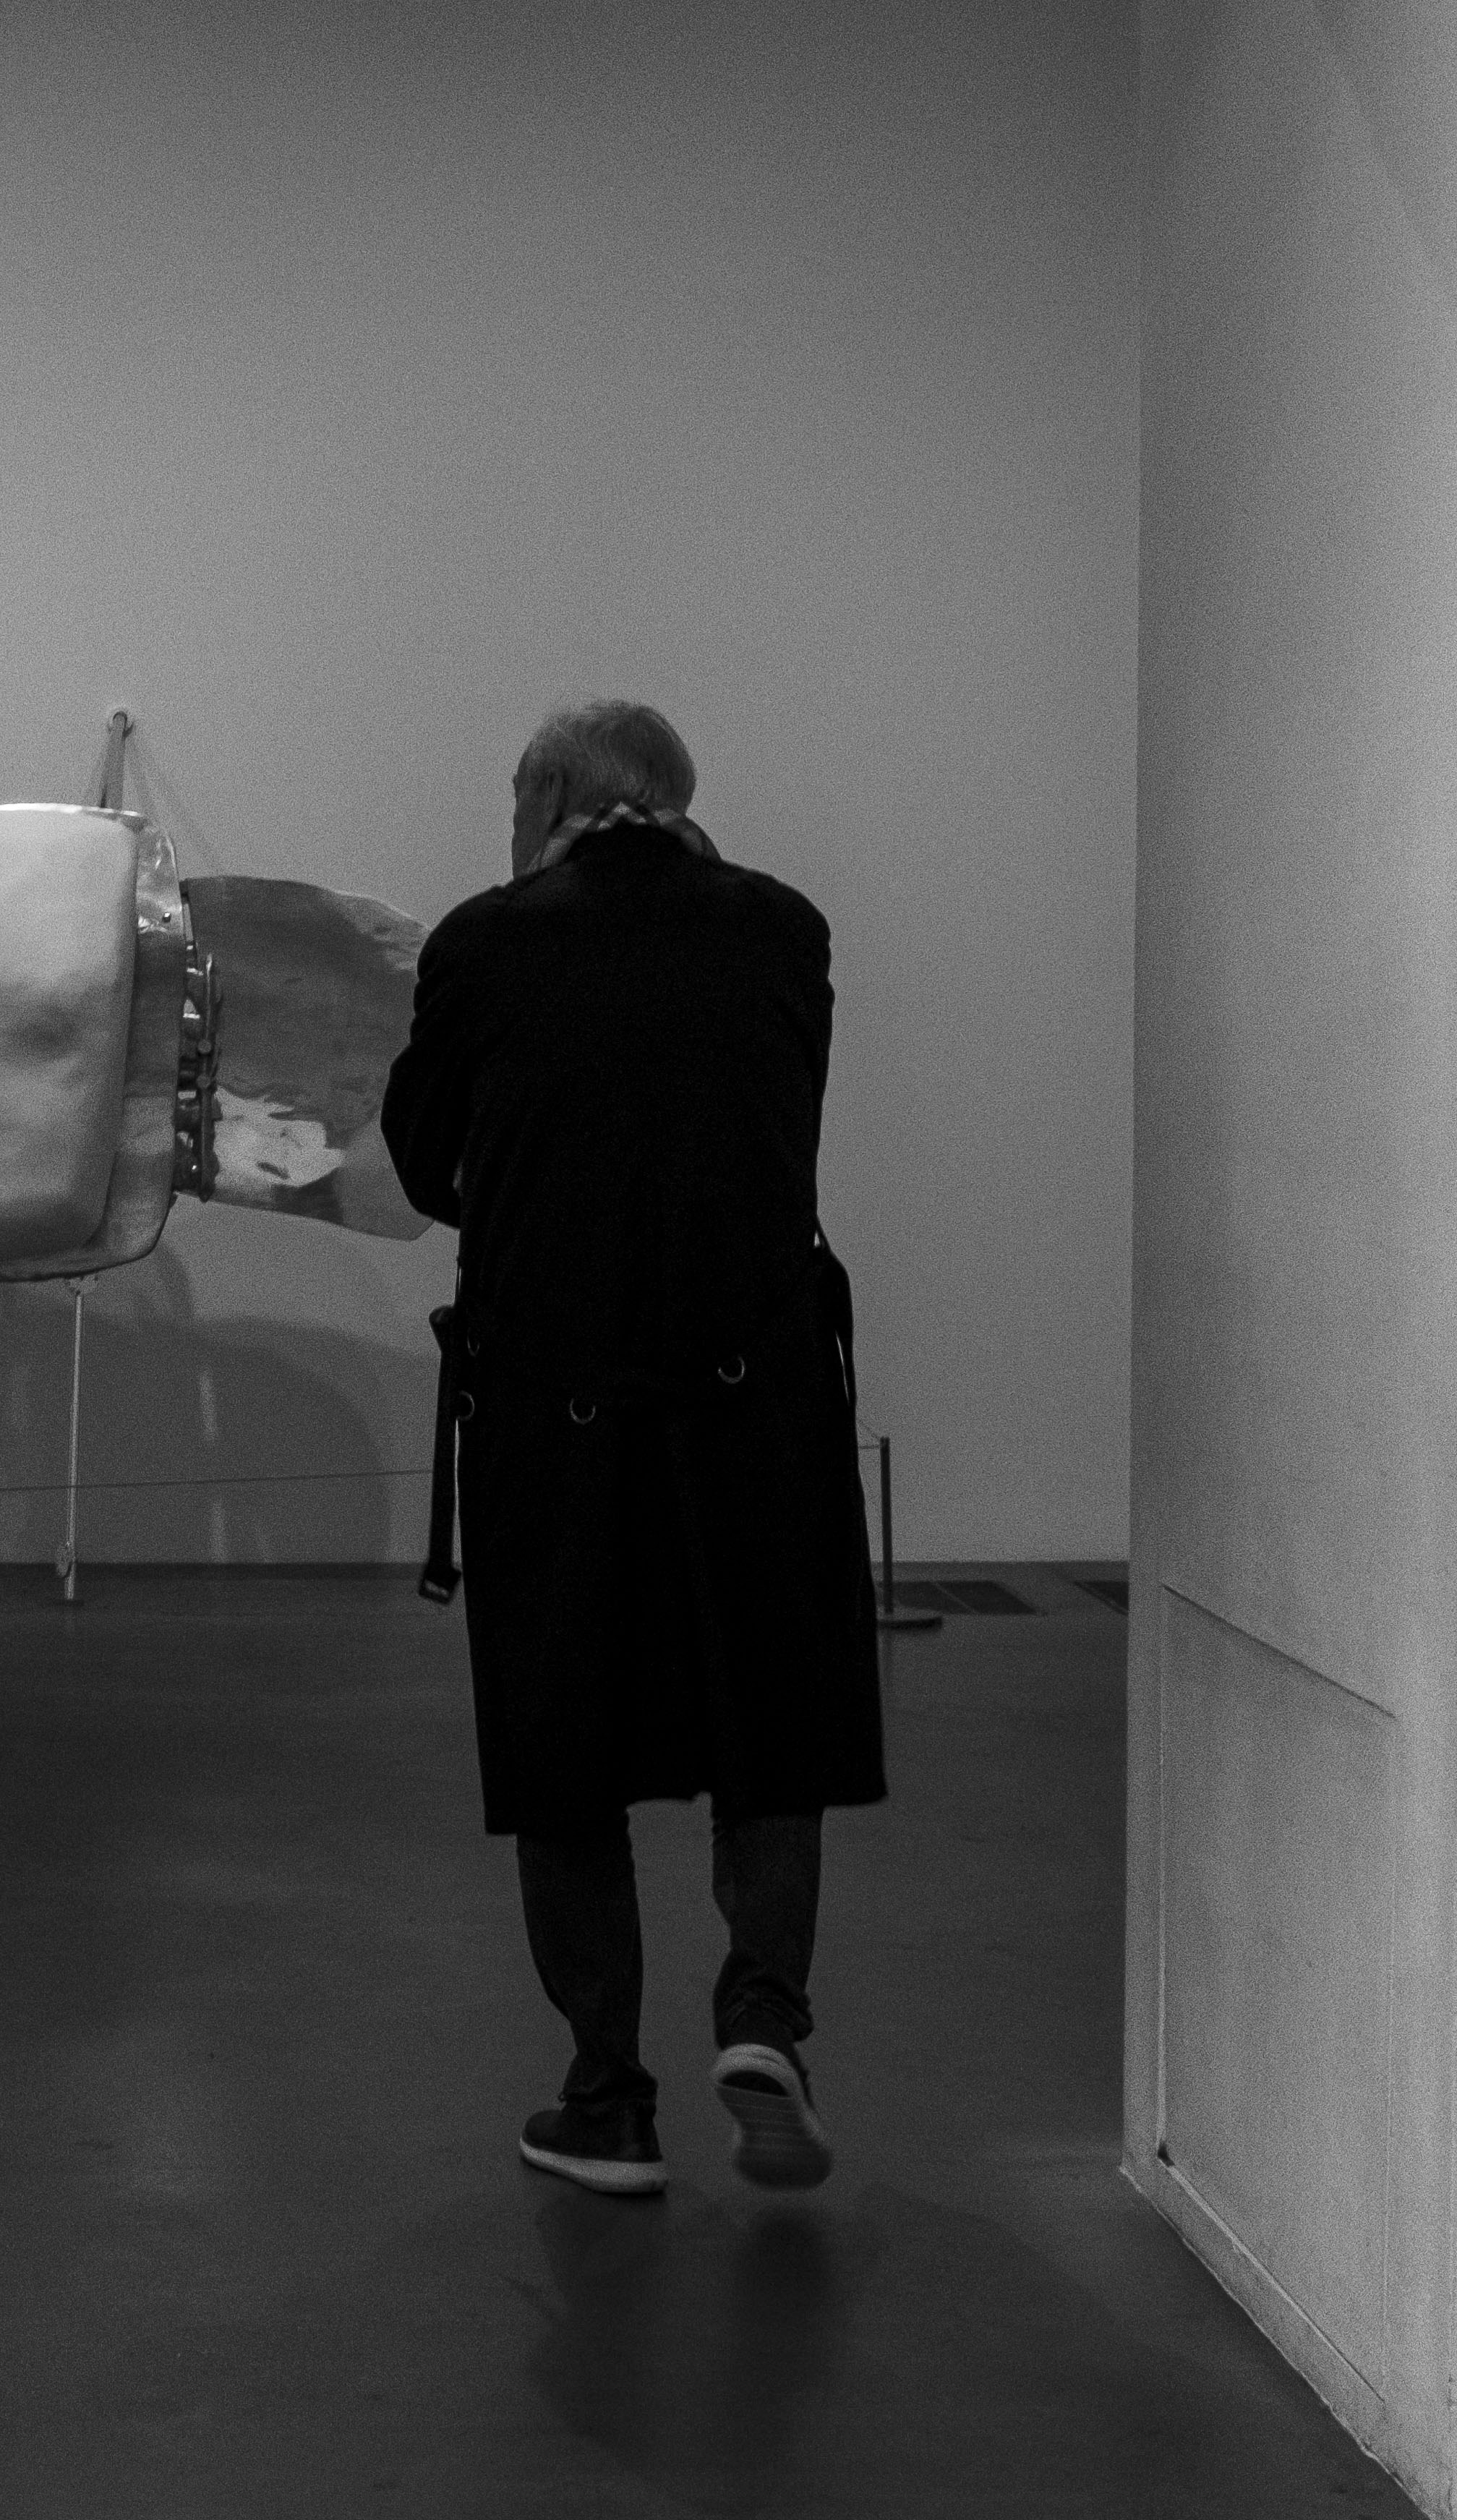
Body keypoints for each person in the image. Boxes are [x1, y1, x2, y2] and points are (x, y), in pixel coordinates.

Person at [377, 699, 886, 2197]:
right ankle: (765, 2010)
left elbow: (423, 1157)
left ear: (548, 799)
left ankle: (607, 2096)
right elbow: (769, 1124)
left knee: (567, 1747)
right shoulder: (783, 929)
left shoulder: (485, 941)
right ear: (677, 799)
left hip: (560, 1400)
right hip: (758, 1395)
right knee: (767, 1720)